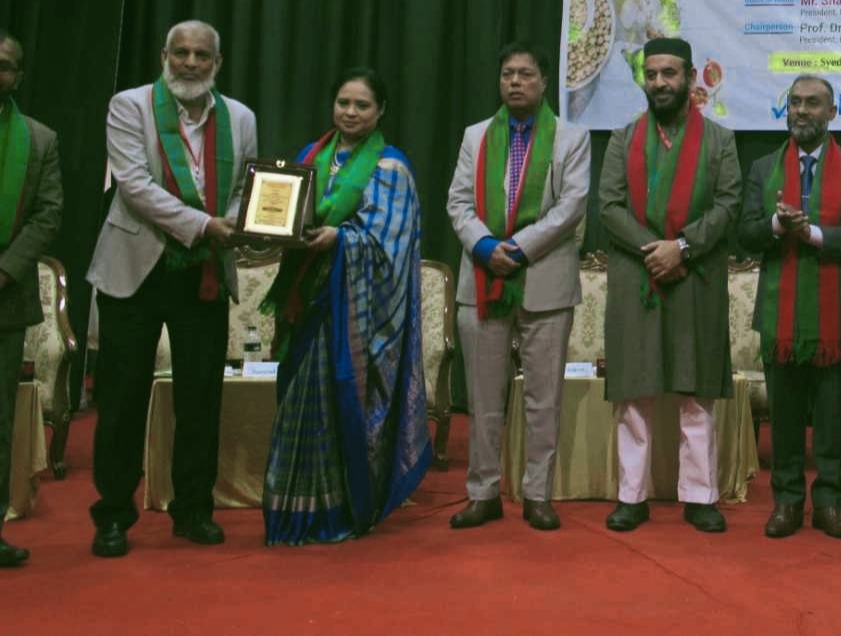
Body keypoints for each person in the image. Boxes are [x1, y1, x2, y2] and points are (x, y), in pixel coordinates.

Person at [86, 20, 258, 558]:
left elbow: (244, 188)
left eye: (201, 55)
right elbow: (134, 187)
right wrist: (205, 224)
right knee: (122, 399)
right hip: (134, 270)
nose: (190, 63)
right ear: (164, 55)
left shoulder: (240, 118)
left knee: (201, 398)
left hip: (202, 274)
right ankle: (114, 515)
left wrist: (236, 220)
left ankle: (193, 510)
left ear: (217, 63)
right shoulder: (129, 106)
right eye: (180, 52)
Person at [259, 67, 432, 545]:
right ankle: (291, 510)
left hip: (349, 313)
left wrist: (341, 239)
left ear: (381, 111)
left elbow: (390, 243)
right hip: (304, 300)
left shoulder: (391, 169)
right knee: (296, 399)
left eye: (362, 105)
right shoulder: (309, 158)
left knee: (337, 404)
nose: (350, 113)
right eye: (343, 103)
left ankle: (335, 510)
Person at [597, 37, 741, 533]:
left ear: (691, 77)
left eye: (669, 73)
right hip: (637, 275)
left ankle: (699, 497)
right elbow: (609, 206)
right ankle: (631, 497)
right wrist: (656, 251)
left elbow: (728, 205)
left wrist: (681, 248)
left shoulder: (720, 141)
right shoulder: (623, 139)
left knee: (694, 391)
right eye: (652, 74)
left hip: (695, 276)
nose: (659, 82)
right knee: (634, 393)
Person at [447, 43, 590, 531]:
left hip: (545, 280)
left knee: (543, 399)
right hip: (482, 276)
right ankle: (483, 493)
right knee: (483, 398)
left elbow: (572, 206)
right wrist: (485, 246)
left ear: (544, 82)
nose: (515, 82)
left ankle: (537, 494)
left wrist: (519, 247)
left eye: (526, 74)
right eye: (508, 73)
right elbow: (458, 202)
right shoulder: (476, 136)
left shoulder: (572, 138)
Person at [738, 74, 841, 540]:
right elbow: (745, 232)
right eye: (795, 102)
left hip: (835, 316)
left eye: (813, 103)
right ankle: (786, 502)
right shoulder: (763, 168)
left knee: (833, 418)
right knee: (784, 417)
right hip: (779, 316)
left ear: (832, 112)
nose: (801, 110)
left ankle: (830, 503)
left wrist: (813, 234)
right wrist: (778, 227)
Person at [0, 31, 62, 568]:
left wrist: (5, 269)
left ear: (17, 76)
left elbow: (48, 213)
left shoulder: (39, 140)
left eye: (4, 65)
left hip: (5, 295)